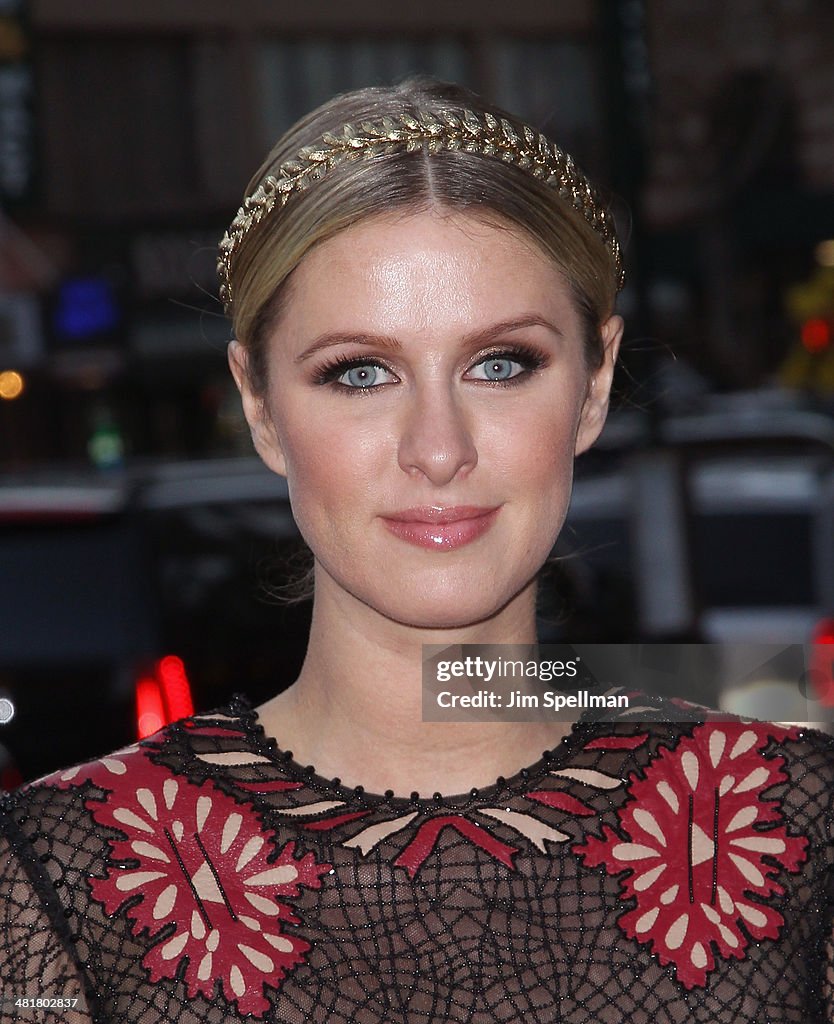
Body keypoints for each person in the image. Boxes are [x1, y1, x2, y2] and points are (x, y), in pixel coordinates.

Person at [1, 78, 832, 1024]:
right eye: (359, 373)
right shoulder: (68, 880)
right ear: (261, 405)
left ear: (595, 385)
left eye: (500, 364)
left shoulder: (795, 829)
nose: (438, 447)